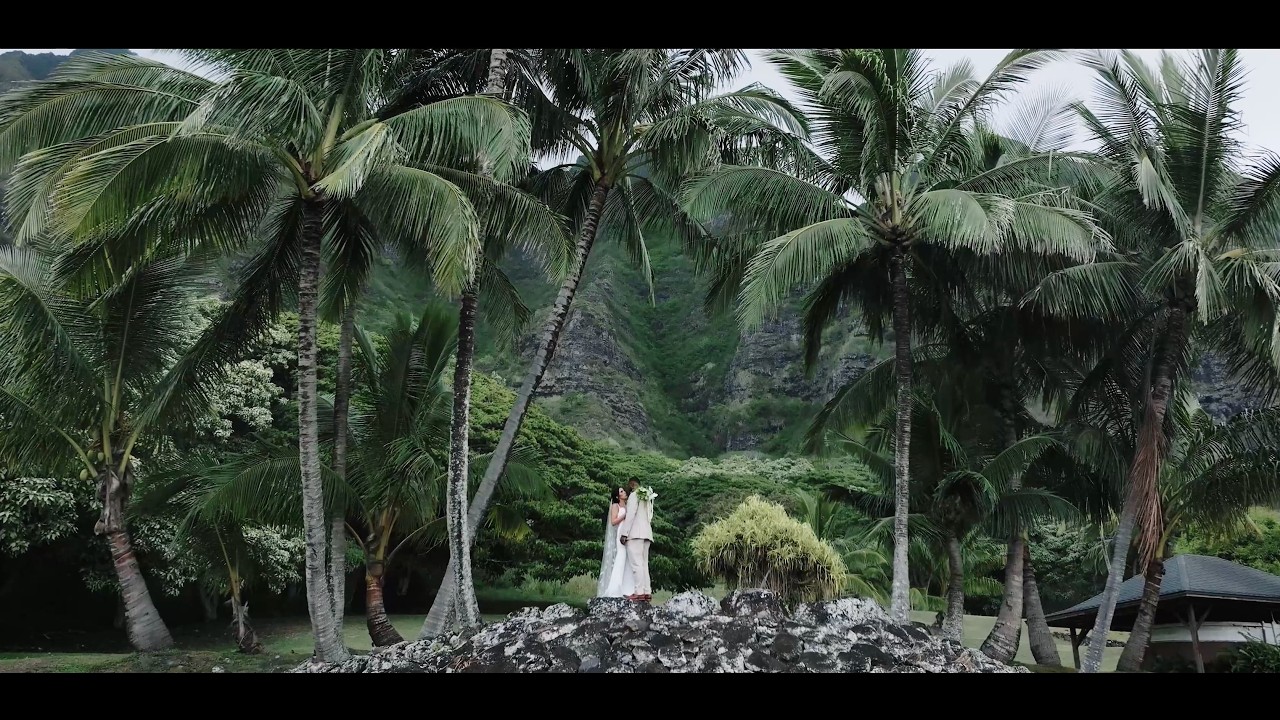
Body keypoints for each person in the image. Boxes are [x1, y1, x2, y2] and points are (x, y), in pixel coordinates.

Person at [618, 478, 654, 602]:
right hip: (647, 533)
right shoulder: (647, 497)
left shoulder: (634, 496)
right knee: (644, 564)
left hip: (635, 533)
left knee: (636, 564)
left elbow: (630, 515)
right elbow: (650, 515)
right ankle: (647, 591)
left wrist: (624, 533)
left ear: (632, 484)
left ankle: (639, 592)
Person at [596, 487, 636, 598]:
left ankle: (628, 589)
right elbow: (613, 521)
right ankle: (615, 588)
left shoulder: (627, 505)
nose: (624, 493)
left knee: (628, 559)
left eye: (624, 491)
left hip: (629, 533)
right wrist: (624, 515)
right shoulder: (615, 506)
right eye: (621, 492)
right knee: (621, 558)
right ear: (618, 496)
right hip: (621, 532)